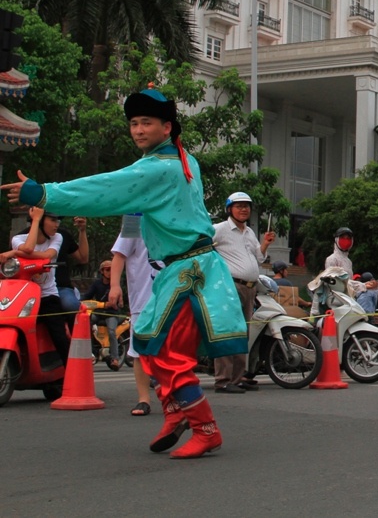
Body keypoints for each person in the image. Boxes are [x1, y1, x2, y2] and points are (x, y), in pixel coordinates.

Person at [3, 87, 247, 458]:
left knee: (164, 354)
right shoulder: (185, 160)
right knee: (146, 345)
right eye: (133, 123)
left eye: (146, 122)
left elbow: (103, 190)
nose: (137, 129)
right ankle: (175, 412)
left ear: (167, 127)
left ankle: (204, 427)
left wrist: (42, 194)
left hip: (188, 272)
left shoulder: (156, 169)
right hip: (178, 270)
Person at [212, 191, 274, 394]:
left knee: (242, 333)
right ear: (229, 209)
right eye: (238, 206)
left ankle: (237, 378)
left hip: (249, 288)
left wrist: (264, 243)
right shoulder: (219, 229)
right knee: (228, 332)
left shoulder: (248, 232)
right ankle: (222, 380)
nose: (243, 209)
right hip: (230, 286)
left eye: (246, 206)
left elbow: (259, 257)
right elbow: (202, 244)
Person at [108, 215, 162, 417]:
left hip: (171, 293)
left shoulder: (174, 215)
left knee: (170, 347)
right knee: (139, 349)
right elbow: (120, 255)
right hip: (143, 296)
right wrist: (114, 286)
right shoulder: (135, 218)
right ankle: (143, 399)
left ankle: (174, 396)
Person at [0, 207, 69, 366]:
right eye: (52, 219)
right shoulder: (18, 239)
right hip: (22, 296)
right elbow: (29, 248)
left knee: (58, 335)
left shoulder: (56, 238)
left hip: (47, 295)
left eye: (57, 220)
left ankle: (69, 370)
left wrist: (13, 253)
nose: (56, 224)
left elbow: (47, 255)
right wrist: (35, 222)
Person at [82, 259, 122, 368]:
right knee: (85, 323)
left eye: (112, 269)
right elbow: (87, 296)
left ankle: (115, 358)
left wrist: (116, 303)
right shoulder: (97, 284)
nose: (110, 272)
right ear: (102, 272)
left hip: (111, 313)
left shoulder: (116, 284)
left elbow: (120, 301)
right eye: (107, 270)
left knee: (112, 332)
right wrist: (78, 300)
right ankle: (91, 352)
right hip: (99, 312)